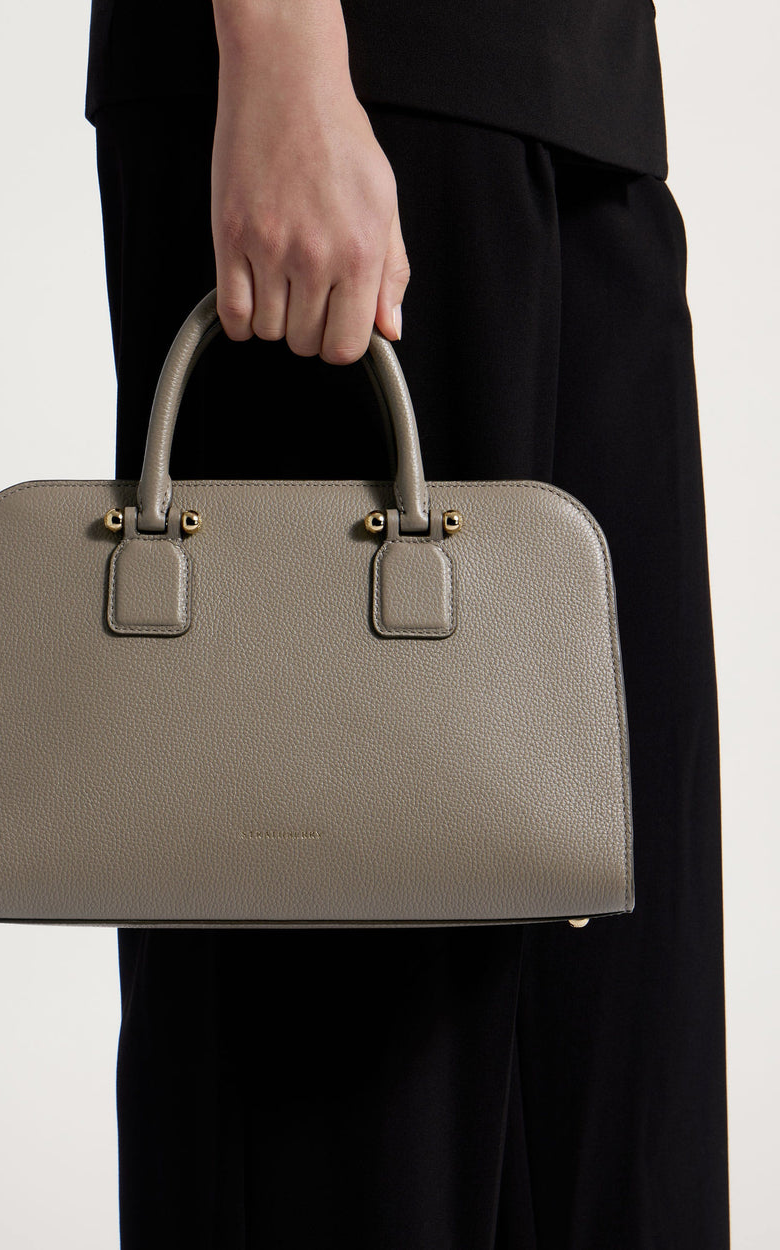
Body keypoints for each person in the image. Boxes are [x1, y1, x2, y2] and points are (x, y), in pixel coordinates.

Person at [84, 2, 730, 1246]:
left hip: (579, 105)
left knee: (612, 1070)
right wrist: (282, 54)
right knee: (343, 1104)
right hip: (365, 96)